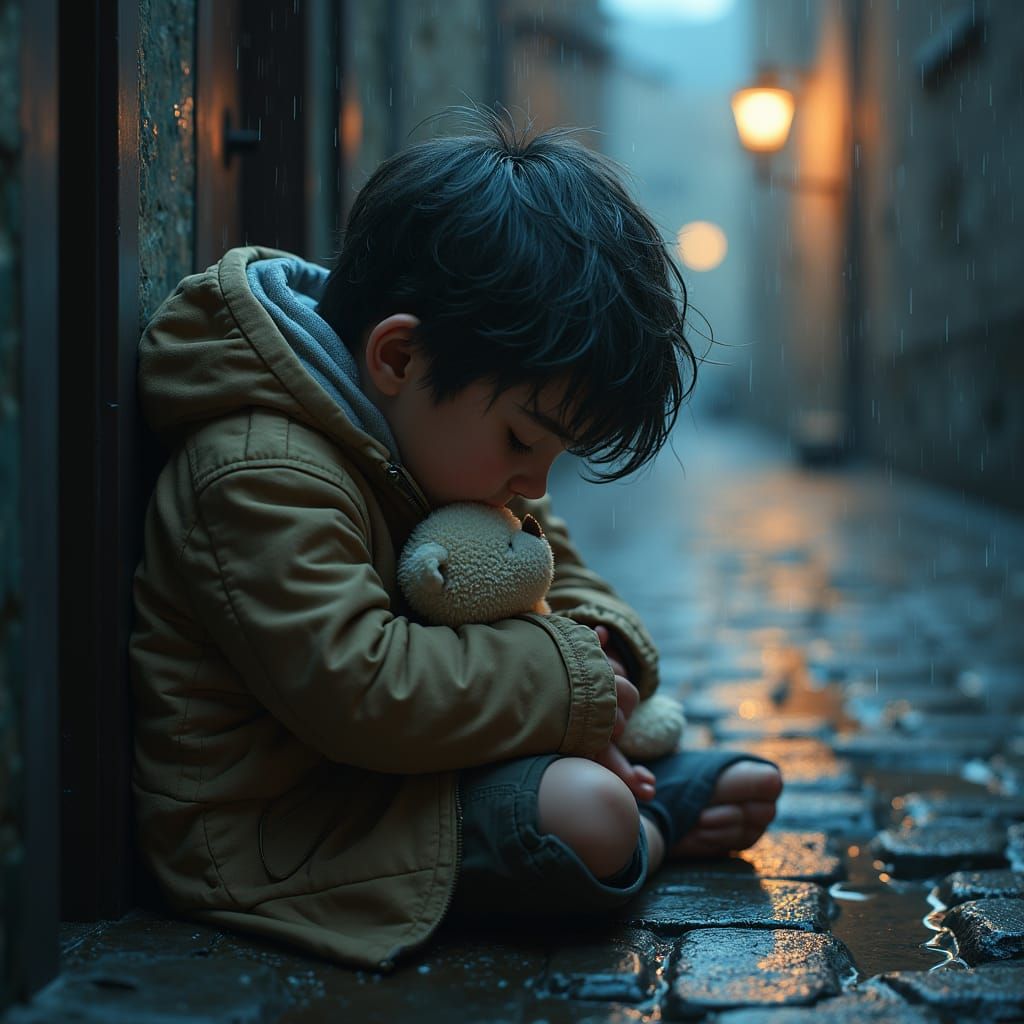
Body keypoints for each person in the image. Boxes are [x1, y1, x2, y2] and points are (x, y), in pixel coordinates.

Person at [130, 106, 782, 972]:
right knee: (591, 817)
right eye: (522, 440)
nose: (535, 486)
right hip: (294, 827)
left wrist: (605, 652)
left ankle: (631, 807)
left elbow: (552, 569)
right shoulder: (259, 468)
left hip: (409, 774)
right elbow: (360, 687)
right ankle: (651, 825)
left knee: (630, 794)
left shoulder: (441, 448)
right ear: (399, 359)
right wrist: (575, 685)